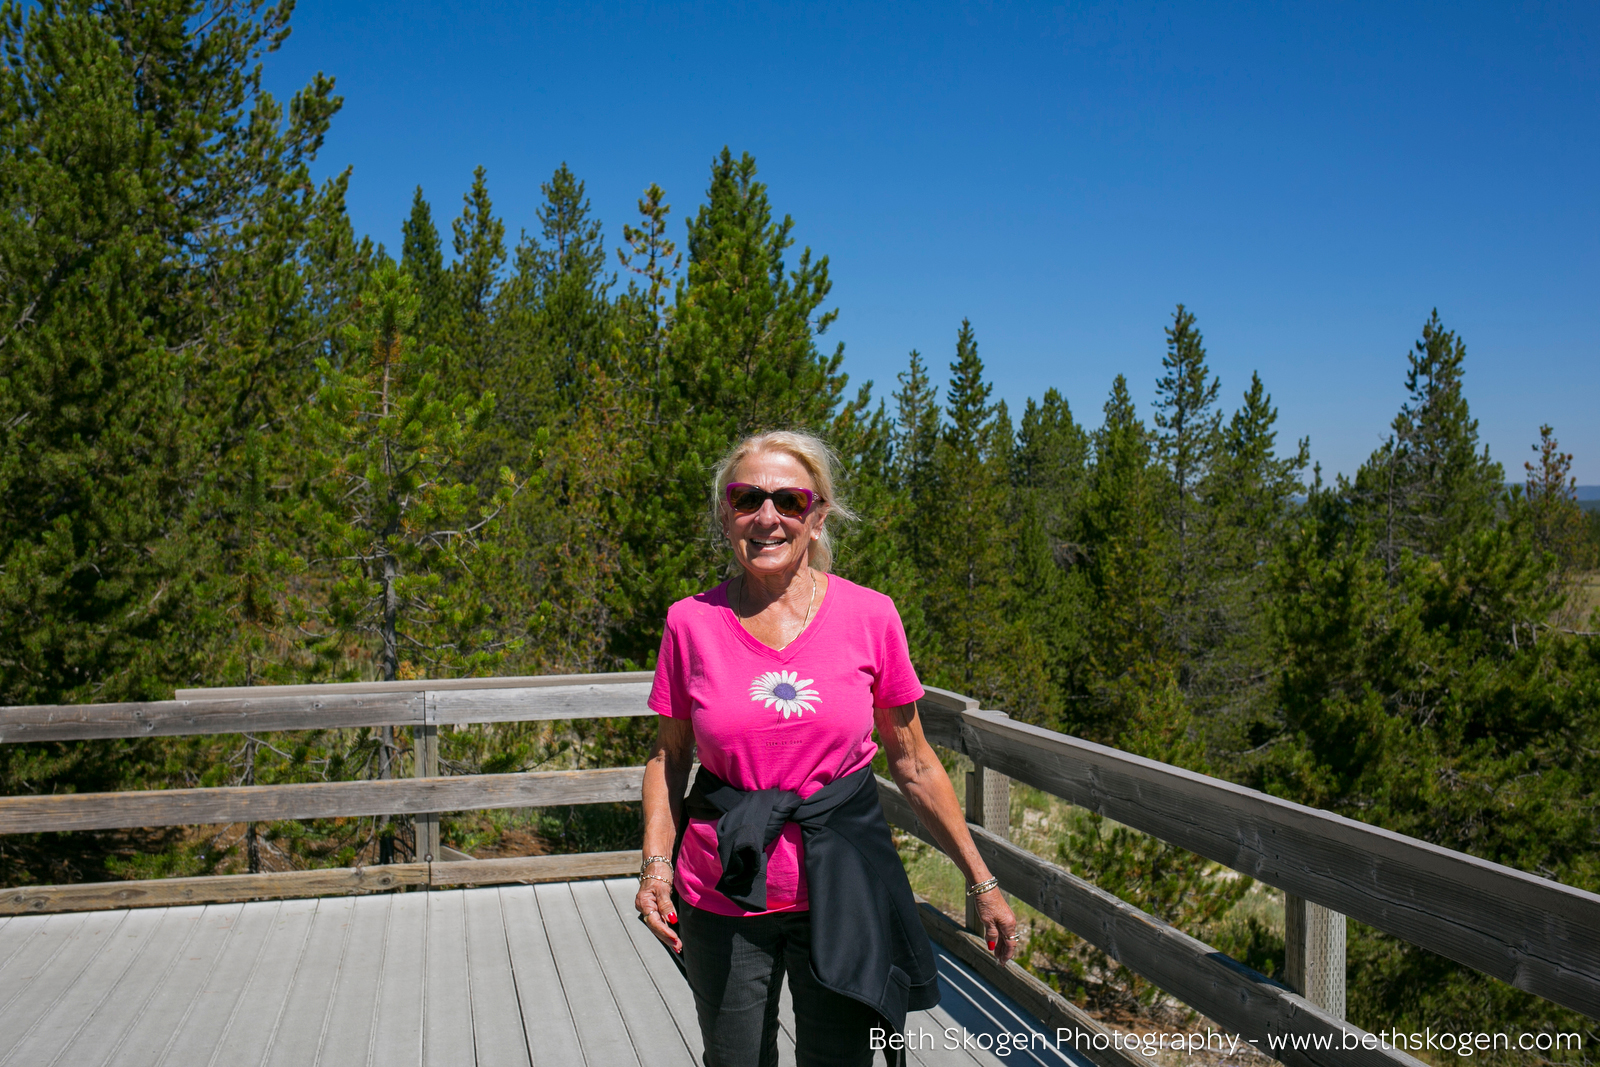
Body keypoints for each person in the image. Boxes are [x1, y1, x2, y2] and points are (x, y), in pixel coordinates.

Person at [635, 429, 1019, 1067]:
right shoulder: (690, 622)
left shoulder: (871, 617)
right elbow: (669, 758)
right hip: (725, 884)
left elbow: (916, 763)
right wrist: (655, 866)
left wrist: (983, 882)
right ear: (724, 514)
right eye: (747, 498)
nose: (767, 517)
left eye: (789, 500)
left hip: (841, 887)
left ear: (817, 516)